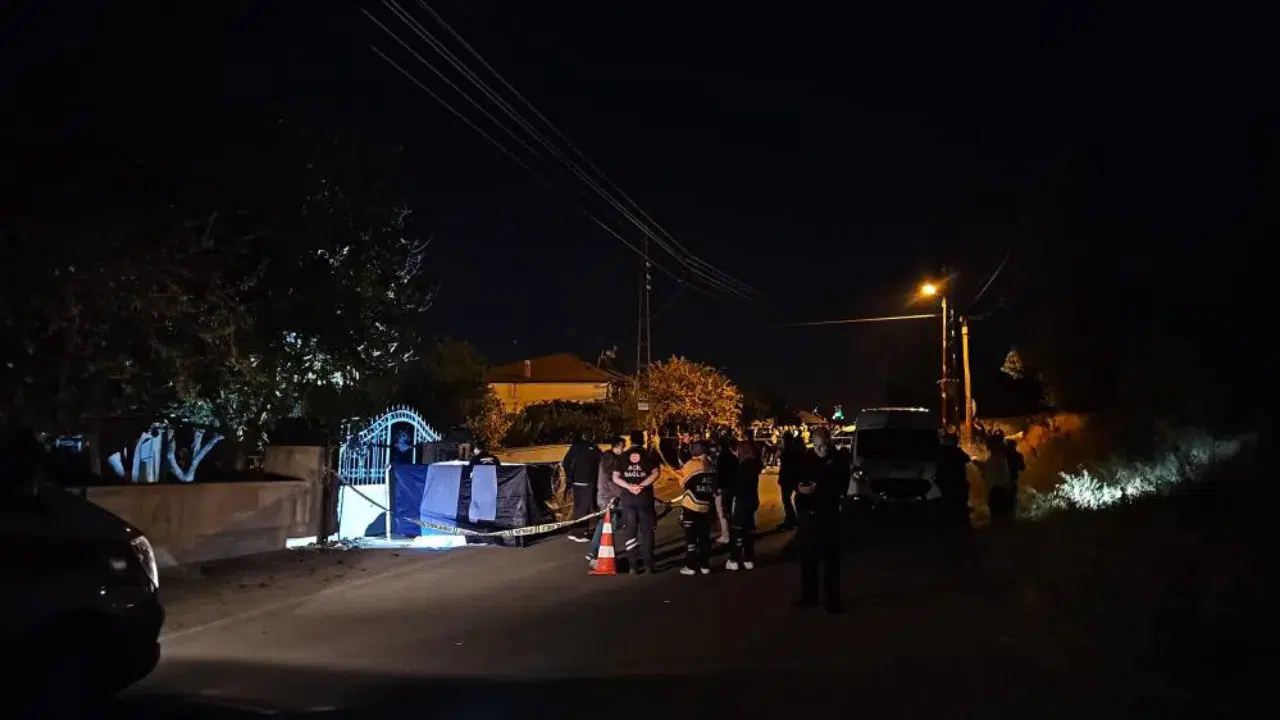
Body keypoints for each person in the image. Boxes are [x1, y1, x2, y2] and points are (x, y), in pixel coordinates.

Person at [794, 426, 848, 613]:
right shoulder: (807, 459)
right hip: (809, 515)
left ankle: (832, 600)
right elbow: (797, 481)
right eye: (817, 446)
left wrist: (823, 488)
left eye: (823, 445)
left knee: (831, 560)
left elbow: (842, 485)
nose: (820, 449)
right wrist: (801, 489)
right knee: (809, 559)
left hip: (829, 515)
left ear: (829, 442)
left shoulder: (838, 460)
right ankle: (809, 596)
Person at [613, 430, 660, 574]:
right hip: (644, 497)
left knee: (630, 531)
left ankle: (632, 565)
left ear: (631, 440)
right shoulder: (648, 455)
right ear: (643, 440)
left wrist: (629, 486)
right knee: (647, 531)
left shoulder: (623, 456)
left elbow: (615, 477)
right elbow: (656, 473)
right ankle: (649, 565)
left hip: (628, 498)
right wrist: (642, 486)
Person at [674, 440, 718, 575]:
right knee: (704, 536)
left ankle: (691, 565)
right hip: (706, 505)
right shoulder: (711, 465)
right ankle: (705, 565)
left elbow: (682, 482)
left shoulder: (691, 464)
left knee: (690, 537)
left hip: (691, 505)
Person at [587, 436, 628, 568]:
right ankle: (596, 552)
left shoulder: (607, 458)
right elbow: (612, 482)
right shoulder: (611, 461)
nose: (623, 449)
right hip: (609, 499)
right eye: (622, 447)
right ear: (617, 446)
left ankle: (594, 551)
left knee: (604, 524)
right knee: (607, 526)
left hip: (606, 497)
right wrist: (623, 492)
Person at [726, 439, 762, 571]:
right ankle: (748, 558)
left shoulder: (743, 466)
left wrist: (729, 492)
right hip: (752, 500)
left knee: (737, 529)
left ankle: (734, 559)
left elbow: (738, 486)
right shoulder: (754, 464)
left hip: (742, 500)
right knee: (748, 529)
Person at [562, 433, 602, 543]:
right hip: (588, 481)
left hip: (575, 481)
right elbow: (601, 461)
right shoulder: (593, 448)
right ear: (592, 437)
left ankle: (574, 531)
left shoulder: (575, 447)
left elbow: (566, 462)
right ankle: (580, 533)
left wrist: (570, 476)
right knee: (584, 507)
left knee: (578, 507)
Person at [936, 433, 972, 530]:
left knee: (949, 502)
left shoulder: (942, 453)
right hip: (956, 482)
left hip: (948, 482)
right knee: (959, 503)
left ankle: (950, 523)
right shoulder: (956, 452)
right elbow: (967, 459)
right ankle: (960, 523)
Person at [983, 432, 1014, 526]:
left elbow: (990, 476)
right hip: (999, 491)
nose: (987, 448)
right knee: (1000, 518)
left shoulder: (998, 459)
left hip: (998, 491)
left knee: (998, 517)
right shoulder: (1000, 459)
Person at [713, 433, 739, 544]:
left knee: (722, 512)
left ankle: (726, 535)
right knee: (729, 512)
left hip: (722, 489)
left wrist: (716, 488)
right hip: (732, 487)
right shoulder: (733, 456)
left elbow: (718, 474)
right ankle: (731, 533)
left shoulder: (721, 457)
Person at [776, 432, 803, 530]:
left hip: (787, 479)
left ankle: (791, 520)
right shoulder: (794, 451)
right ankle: (794, 519)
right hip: (793, 478)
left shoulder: (787, 452)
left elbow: (785, 468)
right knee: (791, 499)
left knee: (786, 500)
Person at [1005, 437, 1025, 513]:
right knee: (1012, 498)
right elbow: (1022, 468)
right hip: (1012, 479)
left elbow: (1022, 467)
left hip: (1006, 480)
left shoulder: (1004, 456)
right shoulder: (1018, 455)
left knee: (1009, 498)